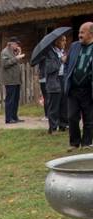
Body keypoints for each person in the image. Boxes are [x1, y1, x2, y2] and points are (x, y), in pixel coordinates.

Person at [64, 21, 93, 149]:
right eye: (79, 32)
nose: (79, 35)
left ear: (91, 34)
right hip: (73, 89)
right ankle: (74, 143)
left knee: (89, 117)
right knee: (72, 117)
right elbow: (67, 64)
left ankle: (87, 142)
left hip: (88, 89)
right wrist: (66, 77)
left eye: (82, 32)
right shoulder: (74, 46)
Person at [44, 35, 69, 134]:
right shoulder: (49, 53)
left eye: (65, 40)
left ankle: (63, 125)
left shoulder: (63, 52)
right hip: (54, 81)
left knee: (64, 104)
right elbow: (49, 68)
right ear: (56, 42)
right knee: (54, 106)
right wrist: (60, 60)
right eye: (62, 40)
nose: (64, 42)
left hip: (63, 79)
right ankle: (53, 128)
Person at [0, 38, 25, 124]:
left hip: (16, 79)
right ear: (11, 44)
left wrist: (18, 54)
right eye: (16, 44)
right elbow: (5, 64)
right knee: (10, 100)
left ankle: (14, 117)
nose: (17, 46)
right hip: (10, 80)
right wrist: (17, 58)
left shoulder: (13, 52)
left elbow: (14, 63)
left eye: (17, 44)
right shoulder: (5, 52)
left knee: (15, 99)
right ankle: (8, 119)